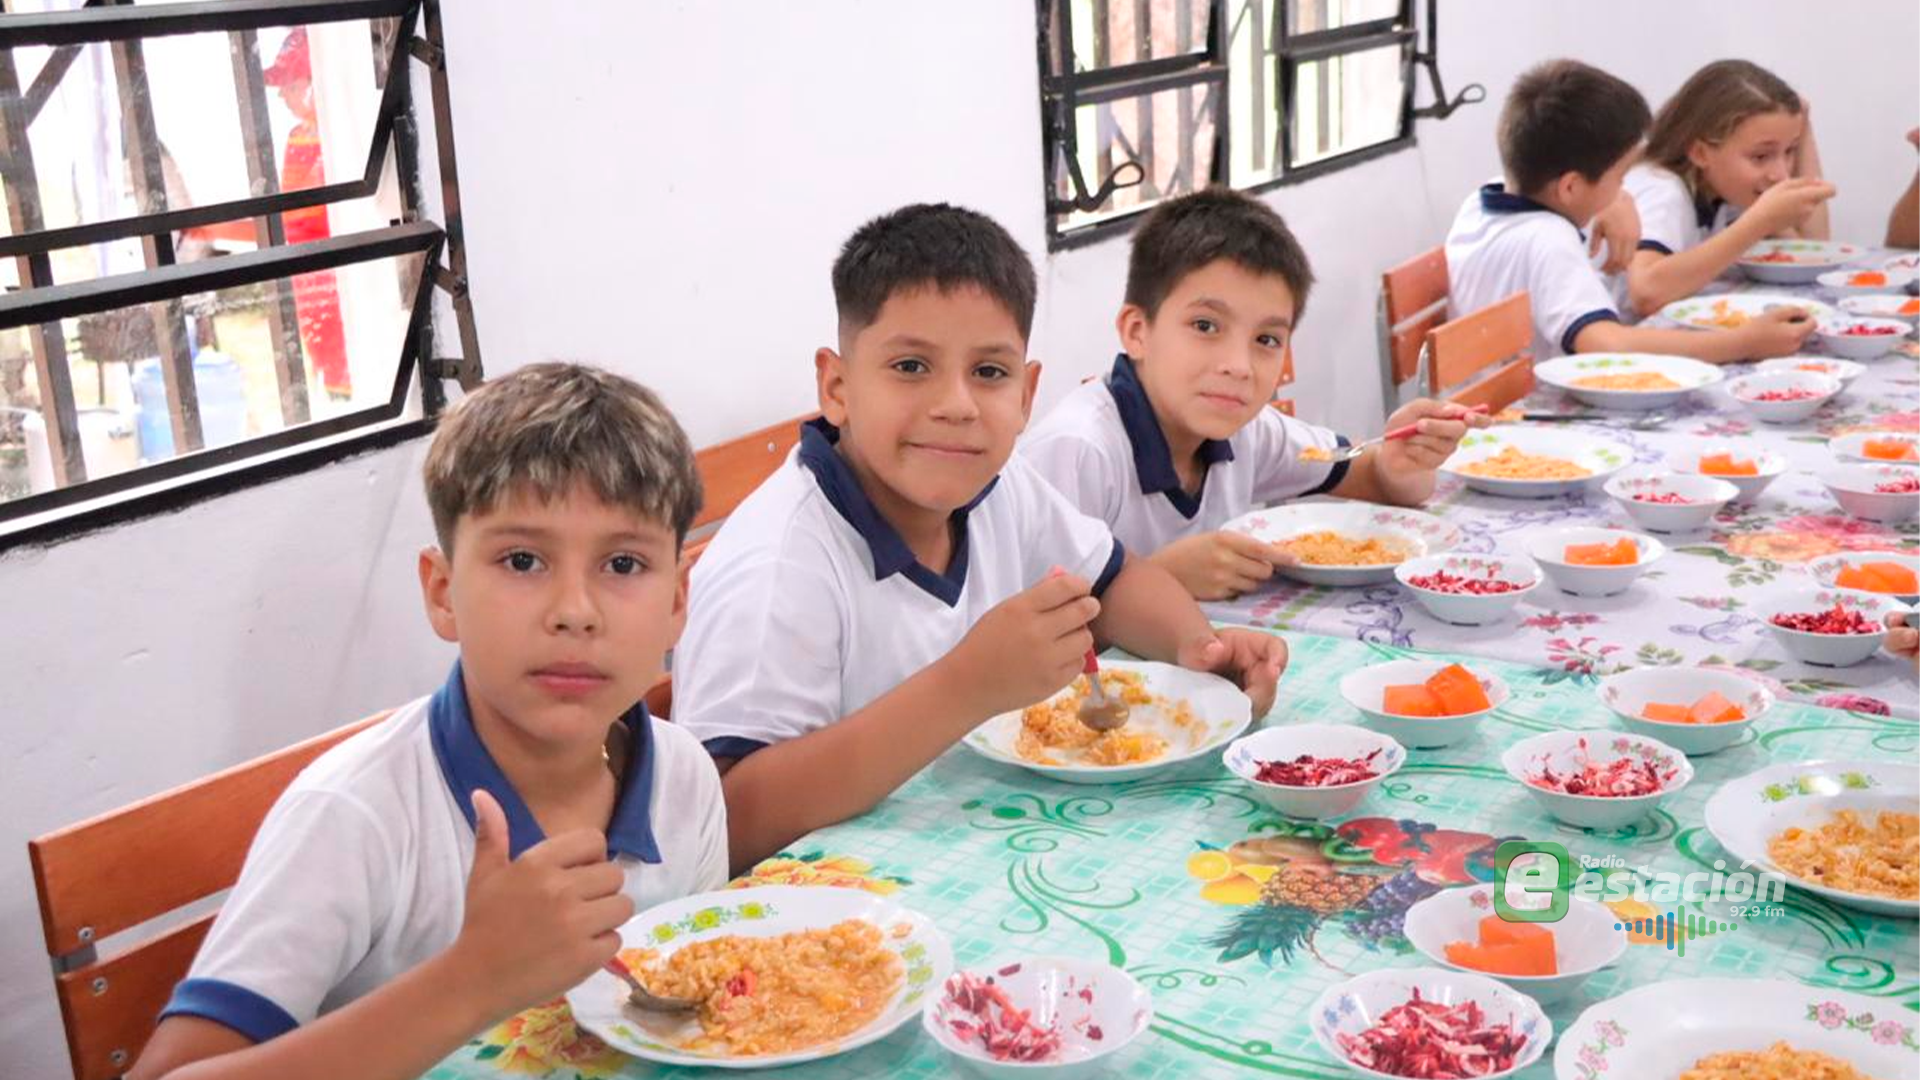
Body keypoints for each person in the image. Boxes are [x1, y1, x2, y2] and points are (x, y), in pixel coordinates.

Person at [132, 364, 727, 1080]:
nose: (575, 611)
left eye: (623, 564)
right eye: (522, 560)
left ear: (677, 600)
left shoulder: (684, 776)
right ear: (443, 592)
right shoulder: (356, 816)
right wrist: (471, 980)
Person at [671, 203, 1289, 872]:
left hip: (973, 855)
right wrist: (964, 687)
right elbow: (726, 824)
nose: (956, 406)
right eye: (911, 366)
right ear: (838, 386)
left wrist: (1197, 647)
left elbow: (1114, 580)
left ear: (1025, 395)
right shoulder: (778, 567)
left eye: (989, 372)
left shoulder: (997, 485)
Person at [1020, 187, 1486, 601]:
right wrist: (1160, 579)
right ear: (1137, 331)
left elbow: (1372, 477)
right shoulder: (1077, 453)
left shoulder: (1247, 432)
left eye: (1266, 339)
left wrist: (1401, 463)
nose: (1239, 366)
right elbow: (1016, 634)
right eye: (1205, 326)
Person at [1446, 59, 1814, 364]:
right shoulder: (1548, 239)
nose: (1629, 190)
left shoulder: (1481, 205)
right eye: (1622, 177)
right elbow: (1605, 344)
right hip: (1522, 411)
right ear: (1571, 187)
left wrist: (1614, 198)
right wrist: (1742, 343)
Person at [1619, 59, 1835, 318]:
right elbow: (1646, 293)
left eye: (1789, 151)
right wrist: (1760, 222)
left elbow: (1814, 250)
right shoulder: (1661, 189)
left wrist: (1804, 128)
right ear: (1700, 153)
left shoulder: (1725, 190)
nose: (1781, 174)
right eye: (1760, 156)